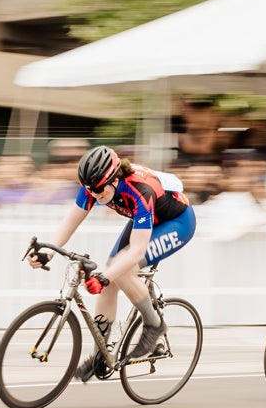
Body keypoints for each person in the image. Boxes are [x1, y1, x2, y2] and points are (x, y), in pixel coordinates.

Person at [28, 145, 197, 382]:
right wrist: (49, 253)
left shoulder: (139, 190)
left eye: (100, 191)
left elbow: (137, 250)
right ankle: (101, 355)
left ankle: (154, 324)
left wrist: (105, 275)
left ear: (115, 178)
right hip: (148, 219)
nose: (96, 196)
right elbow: (71, 221)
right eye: (91, 191)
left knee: (122, 271)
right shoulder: (93, 185)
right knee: (110, 281)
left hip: (177, 222)